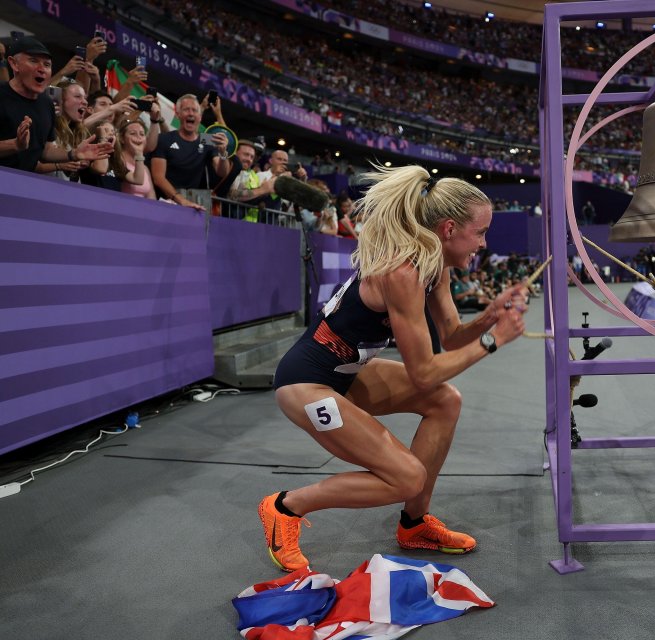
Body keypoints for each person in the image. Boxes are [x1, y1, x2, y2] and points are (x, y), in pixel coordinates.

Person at [260, 164, 528, 572]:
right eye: (481, 233)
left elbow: (453, 335)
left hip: (348, 372)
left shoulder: (431, 264)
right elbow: (423, 371)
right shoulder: (403, 271)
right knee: (407, 477)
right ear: (450, 229)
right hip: (306, 384)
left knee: (444, 402)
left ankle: (414, 524)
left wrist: (490, 316)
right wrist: (494, 342)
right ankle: (285, 507)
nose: (484, 244)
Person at [0, 36, 112, 173]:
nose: (42, 69)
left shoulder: (47, 103)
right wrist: (15, 145)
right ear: (14, 64)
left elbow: (46, 150)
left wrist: (73, 154)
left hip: (27, 185)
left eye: (47, 65)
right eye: (33, 61)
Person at [150, 93, 230, 211]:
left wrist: (223, 153)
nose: (191, 113)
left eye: (194, 110)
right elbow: (158, 178)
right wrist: (181, 200)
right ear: (177, 114)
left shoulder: (207, 139)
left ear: (200, 116)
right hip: (165, 203)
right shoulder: (164, 138)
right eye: (186, 110)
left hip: (191, 205)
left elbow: (222, 172)